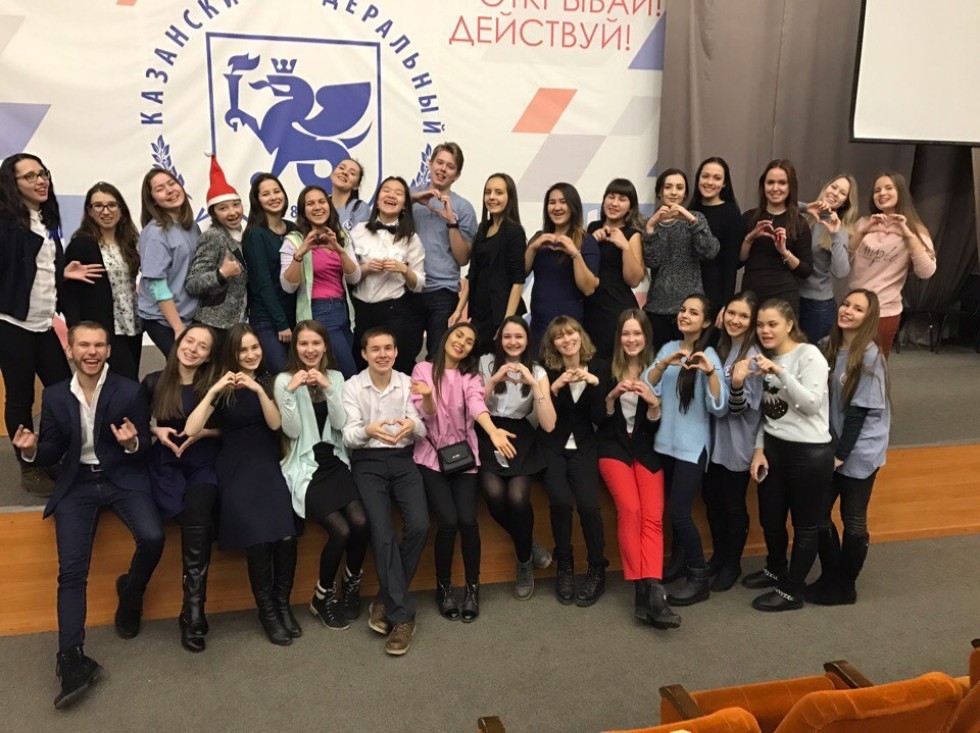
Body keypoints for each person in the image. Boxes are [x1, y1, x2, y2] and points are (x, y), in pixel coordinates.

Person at [12, 321, 163, 709]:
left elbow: (145, 447)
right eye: (83, 345)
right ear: (70, 351)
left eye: (98, 345)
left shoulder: (128, 389)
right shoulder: (55, 395)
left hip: (122, 477)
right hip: (77, 483)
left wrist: (132, 443)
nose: (91, 352)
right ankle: (71, 659)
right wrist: (30, 452)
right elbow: (51, 450)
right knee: (71, 572)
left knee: (153, 537)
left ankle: (131, 594)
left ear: (108, 350)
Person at [184, 324, 300, 645]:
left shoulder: (269, 380)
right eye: (243, 350)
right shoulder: (220, 384)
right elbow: (192, 428)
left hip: (266, 461)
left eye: (254, 348)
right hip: (235, 464)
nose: (250, 355)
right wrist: (214, 391)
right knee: (259, 540)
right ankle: (267, 612)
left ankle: (282, 604)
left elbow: (275, 424)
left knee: (287, 536)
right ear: (232, 354)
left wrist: (259, 390)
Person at [0, 153, 103, 495]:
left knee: (62, 390)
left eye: (42, 173)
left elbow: (34, 269)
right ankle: (29, 465)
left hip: (44, 324)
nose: (40, 180)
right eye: (29, 176)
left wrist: (62, 272)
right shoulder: (6, 222)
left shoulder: (45, 220)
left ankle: (49, 454)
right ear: (12, 184)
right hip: (11, 324)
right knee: (20, 397)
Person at [411, 322, 517, 622]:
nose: (462, 342)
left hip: (463, 457)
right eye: (459, 335)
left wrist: (493, 431)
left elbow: (475, 404)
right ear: (447, 336)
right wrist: (428, 396)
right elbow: (426, 414)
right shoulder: (422, 370)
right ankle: (443, 588)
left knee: (469, 522)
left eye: (469, 341)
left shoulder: (470, 376)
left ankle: (472, 589)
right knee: (448, 522)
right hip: (431, 457)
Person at [275, 320, 369, 630]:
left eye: (316, 343)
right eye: (303, 343)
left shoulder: (337, 378)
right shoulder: (283, 380)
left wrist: (328, 388)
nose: (310, 349)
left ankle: (351, 584)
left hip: (335, 462)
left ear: (325, 346)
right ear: (295, 347)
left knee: (361, 523)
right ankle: (321, 596)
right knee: (341, 530)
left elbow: (341, 424)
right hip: (306, 466)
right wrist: (291, 393)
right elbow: (292, 431)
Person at [342, 327, 429, 656]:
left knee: (420, 525)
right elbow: (349, 435)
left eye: (388, 348)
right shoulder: (352, 386)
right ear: (364, 354)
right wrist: (369, 430)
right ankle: (403, 617)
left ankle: (385, 598)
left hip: (403, 459)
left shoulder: (407, 382)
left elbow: (422, 426)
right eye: (375, 349)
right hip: (367, 462)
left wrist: (412, 425)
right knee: (382, 533)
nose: (383, 354)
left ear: (396, 351)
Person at [745, 299, 833, 612]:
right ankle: (775, 568)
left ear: (789, 324)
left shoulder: (809, 355)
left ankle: (792, 590)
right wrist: (759, 448)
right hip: (774, 448)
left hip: (808, 452)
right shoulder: (766, 358)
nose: (765, 330)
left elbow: (811, 404)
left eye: (772, 324)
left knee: (805, 525)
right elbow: (768, 413)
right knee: (770, 518)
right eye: (760, 325)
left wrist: (781, 372)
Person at [596, 309, 680, 629]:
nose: (631, 339)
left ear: (646, 336)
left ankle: (653, 592)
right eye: (626, 333)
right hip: (613, 448)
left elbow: (660, 426)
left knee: (653, 516)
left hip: (647, 450)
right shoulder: (605, 367)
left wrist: (655, 405)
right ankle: (642, 591)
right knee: (630, 510)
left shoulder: (658, 370)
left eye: (637, 333)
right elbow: (597, 419)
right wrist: (611, 398)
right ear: (618, 337)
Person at [643, 295, 727, 607]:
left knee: (680, 512)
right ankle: (678, 563)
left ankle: (698, 577)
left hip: (693, 448)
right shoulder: (668, 348)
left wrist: (710, 373)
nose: (685, 316)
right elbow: (647, 386)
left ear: (706, 322)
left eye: (693, 313)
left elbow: (719, 407)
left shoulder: (710, 356)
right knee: (671, 512)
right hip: (665, 444)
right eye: (682, 310)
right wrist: (664, 363)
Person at [141, 324, 220, 653]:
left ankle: (193, 610)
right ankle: (192, 610)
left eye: (203, 346)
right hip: (166, 465)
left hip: (203, 464)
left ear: (209, 356)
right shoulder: (154, 381)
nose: (193, 349)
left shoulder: (212, 385)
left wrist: (203, 433)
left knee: (198, 514)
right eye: (190, 341)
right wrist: (155, 431)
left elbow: (225, 428)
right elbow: (136, 422)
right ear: (179, 343)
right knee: (187, 518)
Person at [807, 289, 890, 605]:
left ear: (868, 318)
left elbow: (858, 413)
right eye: (846, 304)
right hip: (833, 444)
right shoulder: (826, 346)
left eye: (857, 309)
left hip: (859, 448)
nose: (847, 311)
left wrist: (840, 456)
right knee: (817, 514)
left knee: (853, 517)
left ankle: (845, 586)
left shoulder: (869, 355)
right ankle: (831, 577)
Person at [478, 316, 557, 599]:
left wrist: (534, 385)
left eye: (518, 336)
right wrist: (494, 379)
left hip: (520, 434)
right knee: (494, 494)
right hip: (488, 429)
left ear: (527, 340)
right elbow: (472, 406)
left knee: (518, 498)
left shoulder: (537, 370)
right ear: (499, 339)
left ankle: (524, 562)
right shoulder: (485, 362)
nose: (512, 342)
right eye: (507, 336)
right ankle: (529, 545)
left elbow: (548, 424)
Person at [538, 316, 608, 605]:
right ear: (553, 344)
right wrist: (555, 388)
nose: (567, 339)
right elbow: (546, 421)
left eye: (571, 333)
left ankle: (597, 567)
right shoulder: (545, 371)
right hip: (552, 446)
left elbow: (600, 418)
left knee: (589, 505)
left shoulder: (600, 368)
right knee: (560, 502)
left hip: (584, 446)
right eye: (559, 336)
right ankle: (564, 564)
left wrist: (595, 384)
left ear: (581, 335)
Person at [703, 291, 763, 591]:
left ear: (752, 322)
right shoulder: (724, 346)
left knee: (733, 506)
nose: (735, 320)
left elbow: (740, 408)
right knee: (712, 501)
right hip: (716, 441)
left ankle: (732, 563)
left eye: (743, 316)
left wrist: (736, 384)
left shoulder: (752, 356)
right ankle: (718, 555)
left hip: (738, 442)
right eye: (731, 313)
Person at [848, 172, 936, 357]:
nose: (882, 193)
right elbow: (843, 260)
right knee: (846, 362)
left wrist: (908, 235)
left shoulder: (915, 230)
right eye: (877, 190)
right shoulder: (863, 223)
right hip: (853, 307)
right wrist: (863, 231)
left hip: (884, 311)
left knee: (874, 365)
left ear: (900, 192)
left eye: (889, 188)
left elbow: (926, 272)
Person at [405, 142, 478, 362]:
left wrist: (451, 222)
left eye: (450, 166)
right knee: (402, 356)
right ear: (429, 164)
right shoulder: (408, 197)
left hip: (442, 292)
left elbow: (463, 258)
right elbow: (381, 216)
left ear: (457, 174)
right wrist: (412, 199)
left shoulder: (463, 207)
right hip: (407, 288)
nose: (443, 169)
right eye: (439, 162)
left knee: (438, 359)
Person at [63, 182, 142, 380]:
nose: (106, 211)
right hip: (102, 328)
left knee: (127, 382)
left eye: (112, 205)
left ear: (121, 209)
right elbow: (68, 294)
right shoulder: (81, 244)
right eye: (98, 206)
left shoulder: (130, 242)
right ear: (89, 211)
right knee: (122, 381)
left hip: (132, 325)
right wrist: (77, 331)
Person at [280, 186, 361, 378]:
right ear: (303, 211)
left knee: (335, 375)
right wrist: (301, 253)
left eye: (322, 202)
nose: (317, 207)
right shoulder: (294, 240)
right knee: (349, 374)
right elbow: (288, 286)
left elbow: (355, 277)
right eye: (310, 203)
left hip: (344, 311)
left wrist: (339, 250)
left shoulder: (341, 237)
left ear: (329, 206)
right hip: (318, 312)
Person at [349, 176, 426, 374]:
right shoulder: (358, 231)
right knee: (359, 365)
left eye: (398, 193)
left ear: (404, 205)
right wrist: (365, 268)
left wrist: (404, 269)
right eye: (386, 190)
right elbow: (346, 275)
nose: (391, 195)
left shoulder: (411, 239)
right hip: (360, 310)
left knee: (395, 366)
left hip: (393, 311)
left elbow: (419, 283)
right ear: (377, 200)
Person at [451, 172, 527, 355]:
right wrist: (458, 310)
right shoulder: (483, 228)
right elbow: (472, 274)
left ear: (509, 197)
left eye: (499, 192)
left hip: (501, 314)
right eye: (488, 192)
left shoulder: (514, 231)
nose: (492, 197)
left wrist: (507, 323)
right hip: (479, 313)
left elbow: (518, 282)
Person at [642, 169, 720, 348]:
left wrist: (692, 220)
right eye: (668, 187)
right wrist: (651, 227)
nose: (673, 192)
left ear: (685, 193)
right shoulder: (650, 222)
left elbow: (710, 251)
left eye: (679, 187)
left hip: (690, 309)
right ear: (660, 192)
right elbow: (652, 262)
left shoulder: (697, 218)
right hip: (658, 308)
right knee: (660, 360)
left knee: (688, 360)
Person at [525, 183, 601, 348]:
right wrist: (532, 248)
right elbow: (520, 273)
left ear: (573, 206)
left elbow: (588, 288)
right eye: (552, 202)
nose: (557, 207)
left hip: (569, 329)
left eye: (563, 202)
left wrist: (574, 253)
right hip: (539, 326)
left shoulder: (586, 241)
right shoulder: (539, 238)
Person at [137, 168, 200, 356]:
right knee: (183, 365)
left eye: (172, 184)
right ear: (153, 201)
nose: (170, 190)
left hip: (189, 315)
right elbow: (157, 285)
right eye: (160, 189)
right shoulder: (156, 233)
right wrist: (178, 328)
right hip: (164, 320)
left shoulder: (191, 226)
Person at [186, 156, 249, 345]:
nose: (232, 212)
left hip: (237, 326)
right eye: (223, 208)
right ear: (214, 213)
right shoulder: (213, 236)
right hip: (213, 326)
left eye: (236, 205)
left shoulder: (245, 235)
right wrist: (222, 274)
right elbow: (192, 283)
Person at [740, 160, 813, 317]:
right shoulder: (749, 217)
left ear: (790, 187)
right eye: (770, 182)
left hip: (784, 296)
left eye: (782, 183)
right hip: (751, 295)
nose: (775, 188)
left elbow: (806, 270)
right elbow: (737, 262)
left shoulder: (799, 222)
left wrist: (784, 252)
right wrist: (749, 239)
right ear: (763, 185)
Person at [243, 173, 297, 374]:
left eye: (277, 191)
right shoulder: (255, 233)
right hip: (268, 319)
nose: (273, 197)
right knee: (283, 377)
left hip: (293, 316)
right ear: (257, 200)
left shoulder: (293, 229)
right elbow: (262, 282)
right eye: (266, 194)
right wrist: (281, 323)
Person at [584, 178, 645, 358]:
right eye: (611, 197)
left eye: (622, 199)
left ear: (631, 208)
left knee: (615, 361)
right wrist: (591, 242)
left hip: (616, 309)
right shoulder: (592, 228)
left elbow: (633, 280)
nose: (615, 203)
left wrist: (624, 246)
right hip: (590, 307)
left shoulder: (632, 235)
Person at [799, 174, 859, 343]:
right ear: (826, 187)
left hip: (817, 306)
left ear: (845, 202)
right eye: (833, 187)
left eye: (842, 193)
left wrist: (835, 235)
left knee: (813, 356)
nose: (835, 193)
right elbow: (778, 204)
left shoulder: (839, 229)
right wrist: (806, 207)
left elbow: (841, 272)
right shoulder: (805, 216)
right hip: (792, 298)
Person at [690, 157, 746, 313]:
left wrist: (726, 305)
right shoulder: (690, 211)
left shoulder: (731, 214)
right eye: (705, 176)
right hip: (687, 295)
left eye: (717, 178)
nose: (709, 182)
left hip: (714, 295)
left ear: (724, 183)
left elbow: (731, 265)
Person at [330, 158, 371, 234]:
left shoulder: (360, 208)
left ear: (356, 185)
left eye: (352, 173)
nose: (344, 172)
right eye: (341, 168)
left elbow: (359, 239)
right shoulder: (320, 205)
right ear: (332, 174)